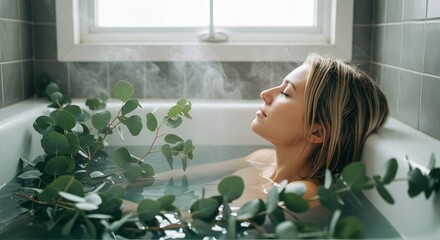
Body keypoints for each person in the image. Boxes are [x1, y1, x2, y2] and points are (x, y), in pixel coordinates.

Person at [125, 53, 390, 215]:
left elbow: (215, 225)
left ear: (317, 131)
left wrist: (125, 210)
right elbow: (179, 176)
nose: (266, 93)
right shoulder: (262, 159)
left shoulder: (304, 194)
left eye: (286, 93)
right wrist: (121, 183)